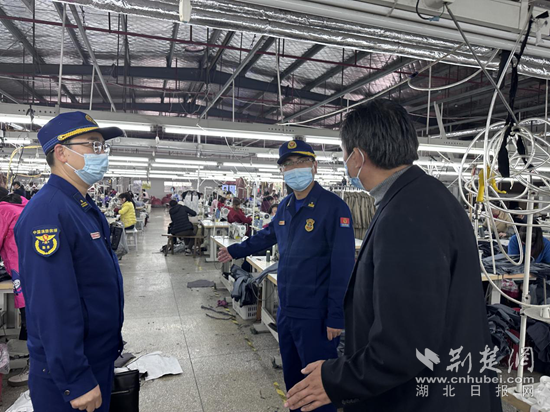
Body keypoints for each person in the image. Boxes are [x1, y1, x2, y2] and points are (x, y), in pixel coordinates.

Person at [284, 99, 501, 412]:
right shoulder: (425, 197)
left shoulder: (407, 216)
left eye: (344, 155)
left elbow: (403, 345)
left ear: (357, 157)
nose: (345, 163)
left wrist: (336, 379)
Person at [219, 140, 355, 412]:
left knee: (317, 386)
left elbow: (343, 266)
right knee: (293, 380)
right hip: (287, 310)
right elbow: (266, 236)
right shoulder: (285, 206)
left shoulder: (334, 207)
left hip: (316, 315)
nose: (294, 168)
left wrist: (336, 315)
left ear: (314, 166)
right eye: (288, 164)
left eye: (301, 161)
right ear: (282, 171)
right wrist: (235, 250)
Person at [14, 111, 124, 412]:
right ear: (61, 152)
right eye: (93, 145)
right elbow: (52, 302)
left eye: (103, 146)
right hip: (69, 375)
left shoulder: (81, 206)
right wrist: (75, 378)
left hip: (93, 358)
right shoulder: (48, 213)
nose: (102, 153)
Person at [0, 188, 29, 386]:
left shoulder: (3, 210)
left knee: (30, 316)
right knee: (34, 314)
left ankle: (35, 367)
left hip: (21, 267)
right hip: (36, 266)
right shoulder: (23, 206)